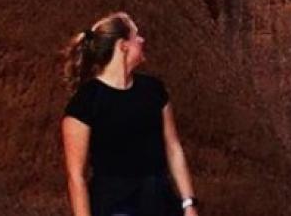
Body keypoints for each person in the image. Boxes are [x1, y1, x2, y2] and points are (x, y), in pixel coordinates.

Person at [60, 11, 202, 216]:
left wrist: (188, 203)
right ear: (122, 46)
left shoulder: (153, 90)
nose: (142, 40)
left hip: (160, 203)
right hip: (114, 207)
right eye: (136, 36)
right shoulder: (85, 102)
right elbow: (76, 176)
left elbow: (173, 147)